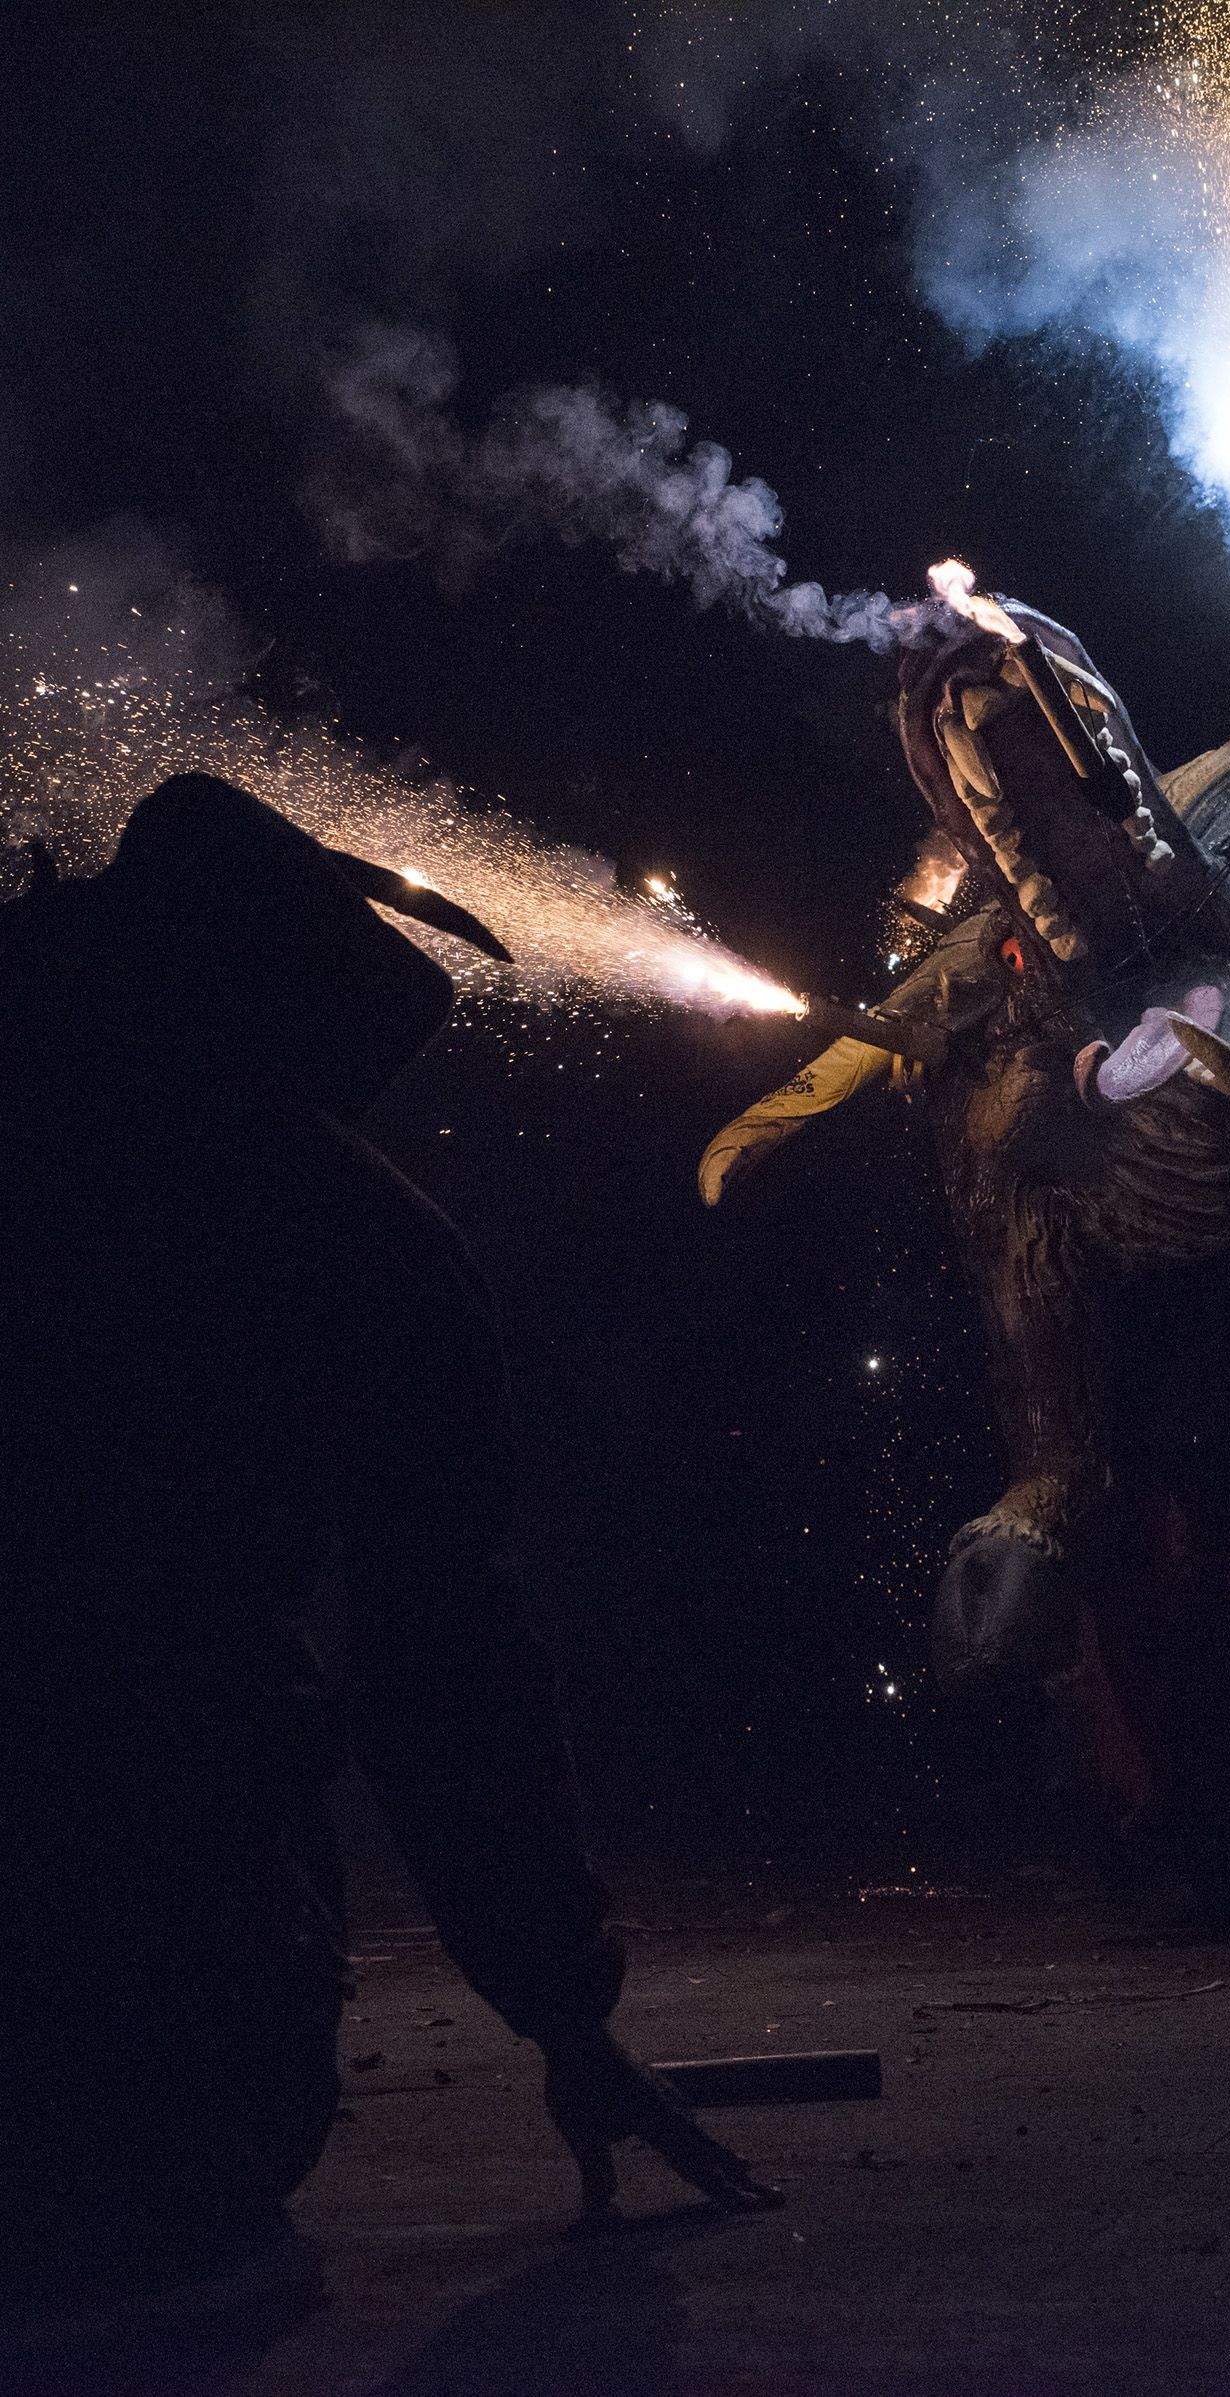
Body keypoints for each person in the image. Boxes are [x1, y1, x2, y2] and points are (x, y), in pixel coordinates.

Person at [0, 775, 773, 2334]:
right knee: (176, 2207)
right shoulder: (351, 1237)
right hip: (159, 1943)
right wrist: (567, 2015)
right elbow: (447, 1661)